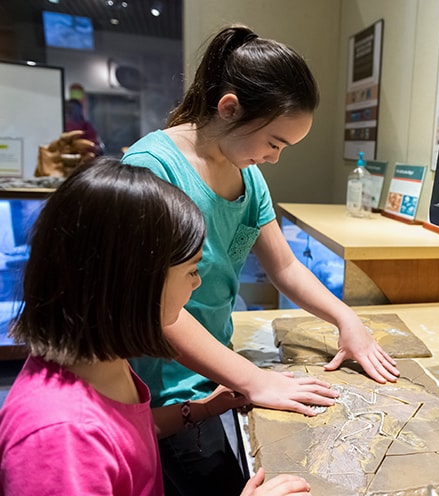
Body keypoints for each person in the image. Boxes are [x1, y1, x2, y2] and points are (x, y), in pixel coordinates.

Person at [122, 24, 400, 495]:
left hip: (217, 377)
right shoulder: (154, 169)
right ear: (229, 108)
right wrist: (254, 379)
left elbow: (285, 266)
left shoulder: (248, 176)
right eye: (274, 142)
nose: (274, 158)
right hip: (164, 392)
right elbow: (157, 312)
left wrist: (344, 318)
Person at [0, 158, 312, 496]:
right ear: (134, 285)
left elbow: (124, 429)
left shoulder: (102, 362)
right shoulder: (59, 438)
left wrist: (199, 409)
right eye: (191, 270)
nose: (197, 283)